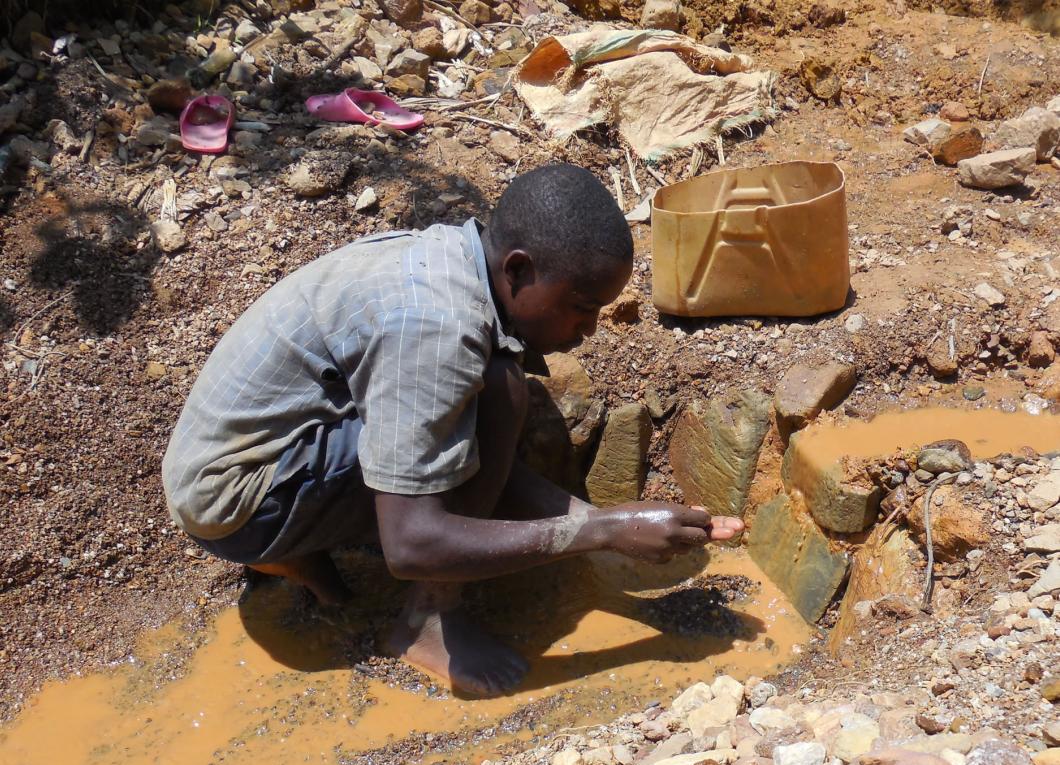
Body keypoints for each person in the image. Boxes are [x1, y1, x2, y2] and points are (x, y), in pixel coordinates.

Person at [162, 163, 744, 696]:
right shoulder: (438, 329)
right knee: (501, 392)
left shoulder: (456, 260)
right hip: (238, 499)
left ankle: (304, 559)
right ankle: (426, 623)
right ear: (519, 269)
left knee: (493, 389)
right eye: (582, 308)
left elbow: (467, 454)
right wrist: (604, 533)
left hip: (245, 458)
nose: (588, 330)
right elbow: (413, 543)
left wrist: (600, 521)